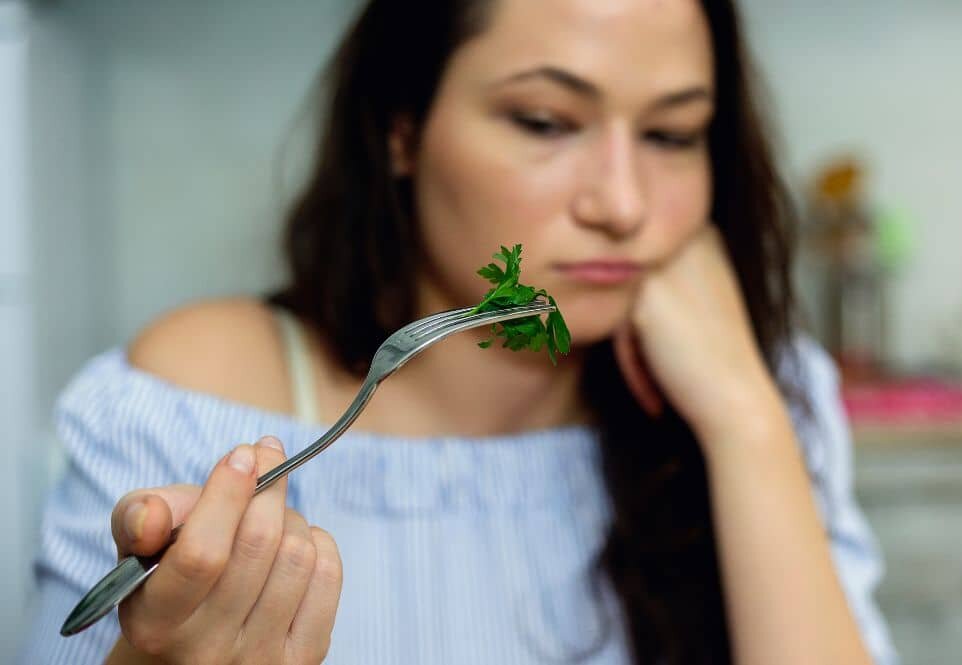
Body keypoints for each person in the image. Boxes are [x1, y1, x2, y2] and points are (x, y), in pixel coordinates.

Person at [18, 1, 898, 663]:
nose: (624, 205)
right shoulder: (185, 406)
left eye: (673, 134)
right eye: (546, 122)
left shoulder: (764, 390)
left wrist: (744, 418)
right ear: (402, 131)